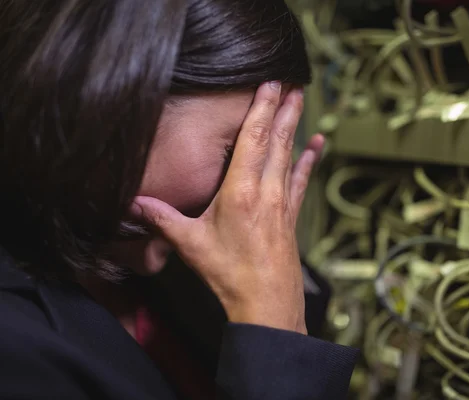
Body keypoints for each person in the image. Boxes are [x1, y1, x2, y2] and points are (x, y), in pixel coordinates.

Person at [0, 1, 358, 399]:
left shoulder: (169, 271)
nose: (256, 188)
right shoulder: (15, 351)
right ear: (108, 105)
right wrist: (277, 340)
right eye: (238, 147)